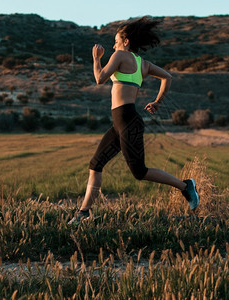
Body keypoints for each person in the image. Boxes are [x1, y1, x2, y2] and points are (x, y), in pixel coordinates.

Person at [69, 17, 199, 225]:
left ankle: (186, 186)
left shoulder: (120, 55)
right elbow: (167, 77)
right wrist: (157, 102)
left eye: (116, 41)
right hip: (121, 123)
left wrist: (96, 59)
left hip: (128, 121)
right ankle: (83, 214)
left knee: (140, 172)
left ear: (126, 41)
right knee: (96, 164)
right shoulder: (143, 64)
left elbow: (99, 78)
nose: (113, 45)